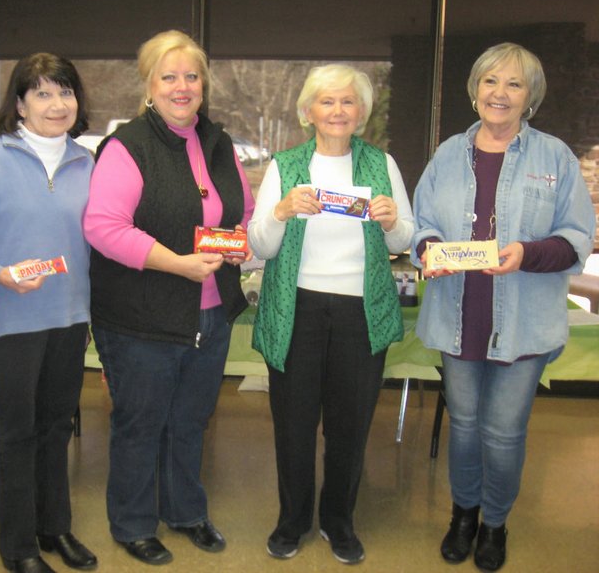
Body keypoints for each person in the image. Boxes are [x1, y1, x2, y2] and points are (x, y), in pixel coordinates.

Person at [411, 43, 595, 572]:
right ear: (475, 90)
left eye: (514, 84)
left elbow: (577, 239)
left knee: (504, 431)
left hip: (524, 322)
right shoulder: (448, 154)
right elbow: (423, 224)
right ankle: (462, 515)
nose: (500, 93)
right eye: (491, 81)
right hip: (457, 316)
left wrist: (526, 253)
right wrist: (429, 251)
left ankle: (495, 523)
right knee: (465, 426)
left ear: (529, 96)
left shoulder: (554, 157)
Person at [83, 29, 255, 566]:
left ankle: (186, 512)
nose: (182, 87)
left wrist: (236, 247)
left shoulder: (219, 143)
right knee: (141, 422)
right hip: (141, 316)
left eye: (192, 76)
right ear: (149, 84)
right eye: (169, 76)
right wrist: (176, 263)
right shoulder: (127, 146)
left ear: (203, 83)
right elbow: (103, 226)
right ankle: (133, 524)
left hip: (210, 310)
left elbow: (241, 212)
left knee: (190, 419)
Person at [248, 64, 413, 565]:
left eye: (348, 101)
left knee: (350, 425)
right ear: (309, 111)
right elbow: (258, 244)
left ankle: (339, 521)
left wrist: (392, 222)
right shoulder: (284, 166)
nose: (338, 110)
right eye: (327, 101)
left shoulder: (382, 164)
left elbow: (406, 239)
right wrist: (279, 212)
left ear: (361, 112)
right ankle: (293, 521)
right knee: (293, 424)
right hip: (296, 307)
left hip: (359, 312)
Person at [0, 54, 97, 573]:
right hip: (10, 315)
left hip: (70, 316)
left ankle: (54, 527)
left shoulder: (88, 162)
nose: (57, 104)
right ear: (18, 103)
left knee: (57, 425)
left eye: (65, 92)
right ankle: (18, 545)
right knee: (16, 429)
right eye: (42, 93)